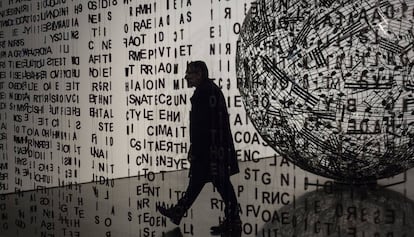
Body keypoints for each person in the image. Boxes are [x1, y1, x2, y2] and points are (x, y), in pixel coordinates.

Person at [157, 61, 241, 234]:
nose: (186, 77)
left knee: (217, 183)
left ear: (200, 74)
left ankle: (233, 219)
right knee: (206, 183)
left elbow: (203, 126)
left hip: (211, 151)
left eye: (190, 73)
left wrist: (196, 150)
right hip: (213, 149)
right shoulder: (208, 90)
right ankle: (179, 212)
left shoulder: (205, 93)